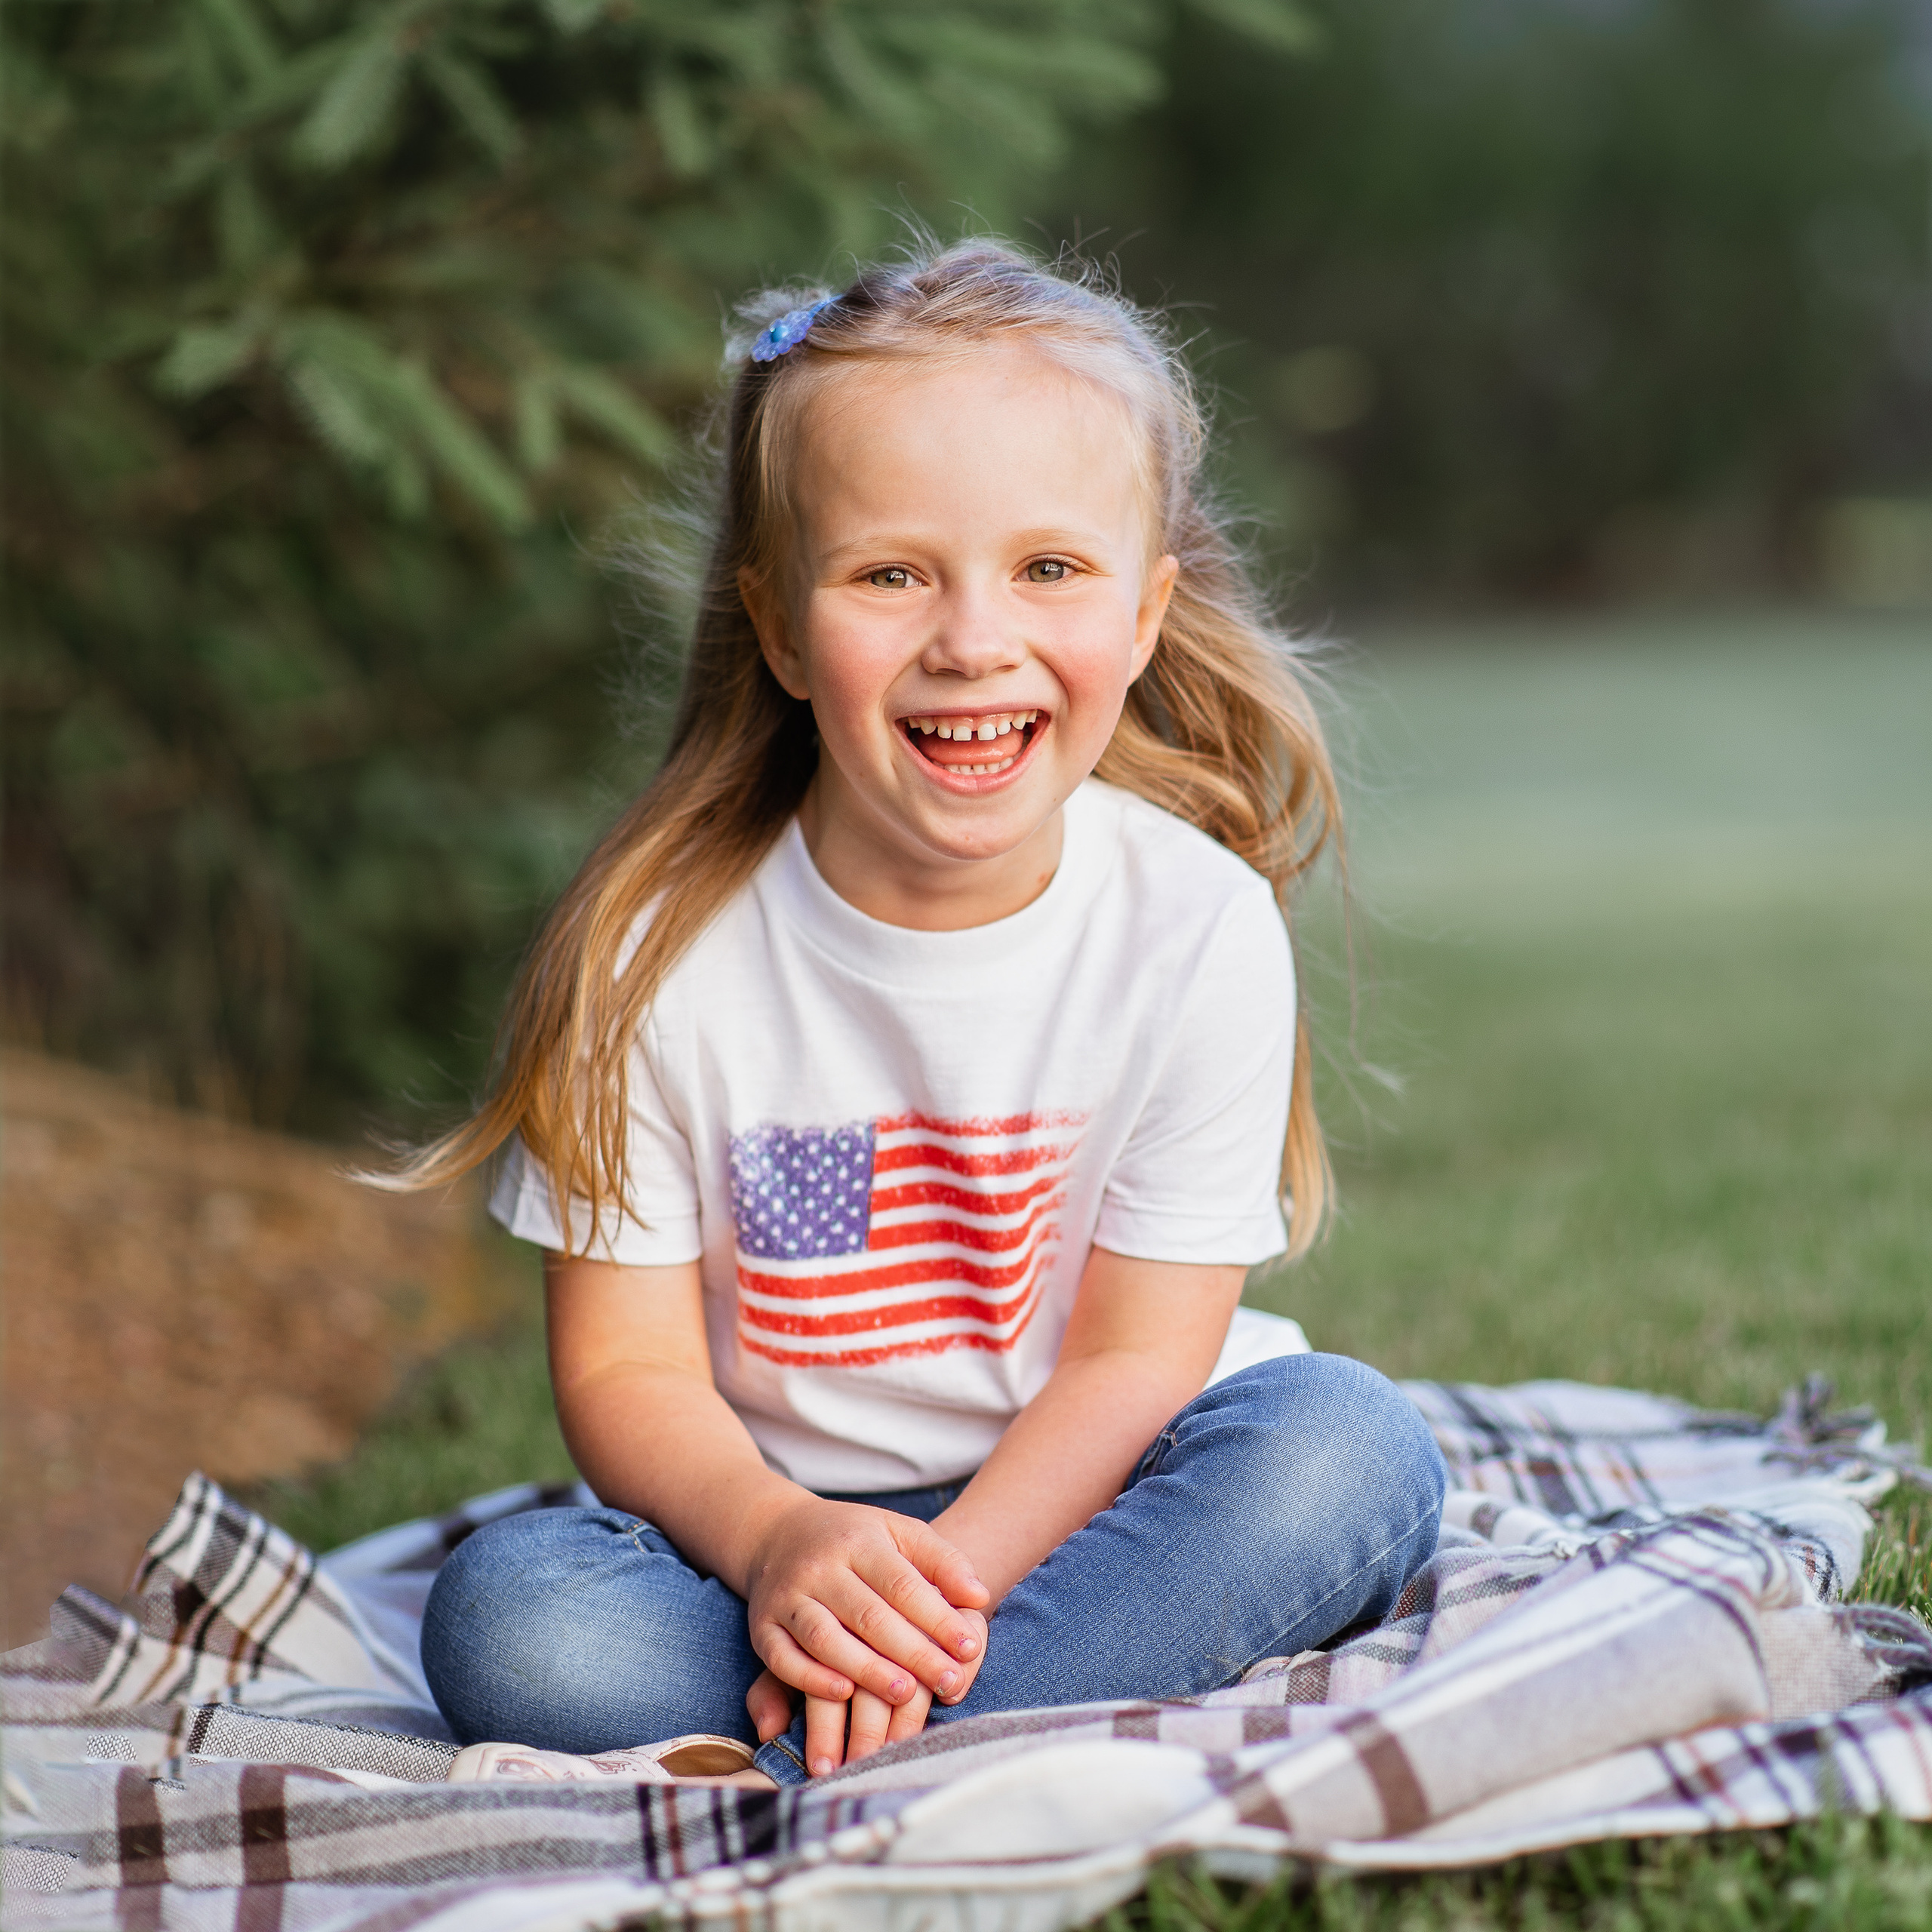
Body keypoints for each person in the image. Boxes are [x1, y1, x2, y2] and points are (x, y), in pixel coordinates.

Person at [398, 238, 1446, 1789]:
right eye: (891, 573)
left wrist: (937, 1593)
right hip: (773, 1532)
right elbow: (625, 1376)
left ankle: (866, 1720)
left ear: (1145, 612)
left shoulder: (1190, 921)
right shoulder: (652, 949)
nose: (971, 638)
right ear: (776, 624)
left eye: (1047, 568)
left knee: (1347, 1448)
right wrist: (780, 1546)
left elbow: (1137, 1358)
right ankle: (964, 1719)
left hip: (1102, 1496)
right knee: (517, 1624)